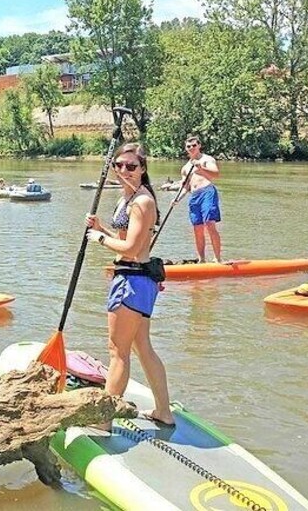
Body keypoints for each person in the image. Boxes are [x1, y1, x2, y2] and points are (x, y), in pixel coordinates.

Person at [85, 143, 174, 427]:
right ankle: (163, 411)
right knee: (141, 346)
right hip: (138, 280)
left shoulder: (141, 201)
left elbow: (133, 249)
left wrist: (98, 239)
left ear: (143, 169)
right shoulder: (129, 198)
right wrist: (103, 229)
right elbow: (126, 240)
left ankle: (104, 420)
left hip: (132, 280)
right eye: (119, 165)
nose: (124, 170)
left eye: (132, 166)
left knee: (118, 352)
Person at [174, 136, 222, 263]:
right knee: (197, 228)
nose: (191, 148)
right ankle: (202, 259)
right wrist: (177, 198)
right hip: (194, 196)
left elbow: (216, 174)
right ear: (186, 148)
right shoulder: (185, 168)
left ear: (199, 146)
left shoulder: (207, 159)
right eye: (188, 146)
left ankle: (217, 258)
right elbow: (185, 187)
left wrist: (201, 169)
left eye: (194, 145)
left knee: (209, 224)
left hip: (207, 191)